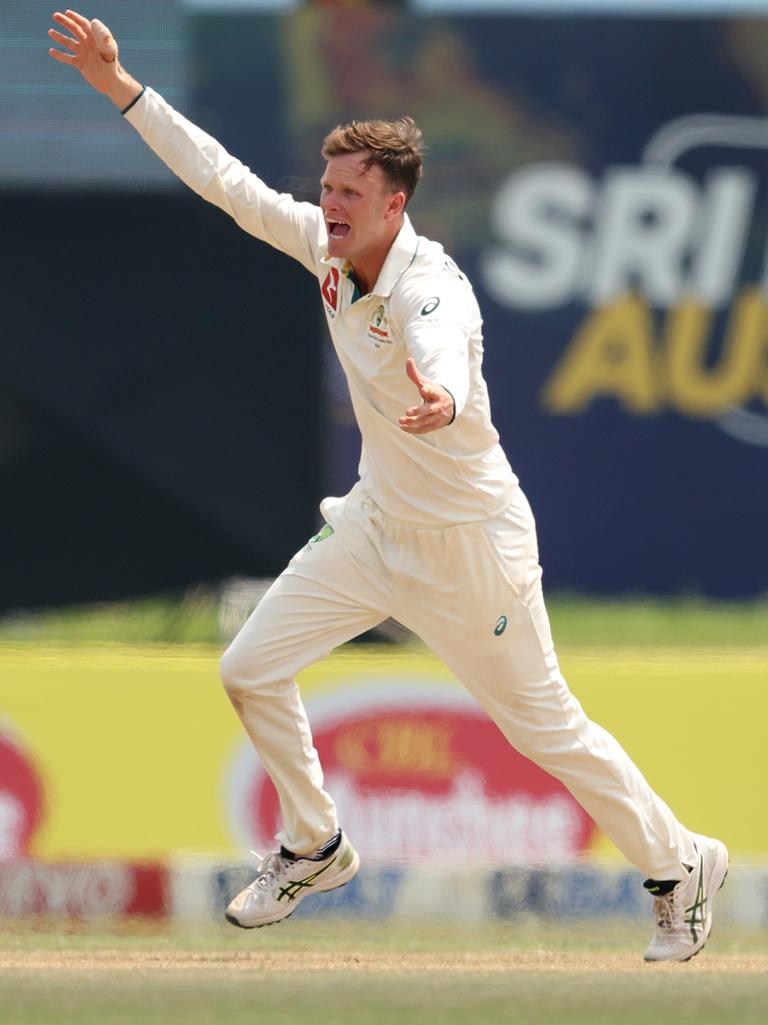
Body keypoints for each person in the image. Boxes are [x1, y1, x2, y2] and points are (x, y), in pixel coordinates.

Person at [49, 10, 728, 962]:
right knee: (247, 666)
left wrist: (443, 398)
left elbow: (442, 351)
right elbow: (226, 184)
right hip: (374, 530)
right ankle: (315, 842)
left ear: (394, 204)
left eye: (347, 194)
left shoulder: (429, 287)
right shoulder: (328, 256)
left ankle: (681, 864)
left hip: (470, 546)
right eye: (325, 187)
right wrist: (123, 88)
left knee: (548, 732)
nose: (327, 205)